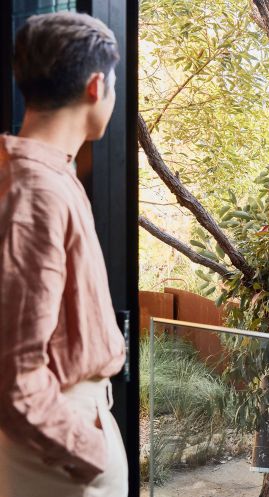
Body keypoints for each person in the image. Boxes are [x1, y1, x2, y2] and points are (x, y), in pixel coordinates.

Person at [0, 12, 127, 497]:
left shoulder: (36, 175)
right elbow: (15, 376)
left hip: (59, 443)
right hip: (55, 456)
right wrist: (91, 453)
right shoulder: (37, 191)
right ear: (97, 86)